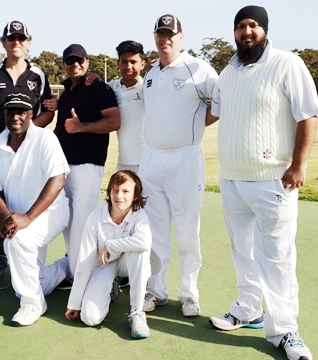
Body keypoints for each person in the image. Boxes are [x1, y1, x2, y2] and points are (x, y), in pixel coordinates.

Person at [207, 6, 318, 360]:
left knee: (278, 258)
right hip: (232, 180)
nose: (246, 31)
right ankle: (249, 308)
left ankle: (285, 331)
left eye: (253, 25)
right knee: (243, 251)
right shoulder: (228, 71)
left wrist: (299, 165)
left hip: (274, 180)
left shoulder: (288, 64)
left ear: (264, 30)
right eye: (240, 26)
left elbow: (308, 116)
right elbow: (215, 112)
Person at [0, 20, 55, 299]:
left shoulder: (38, 74)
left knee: (26, 210)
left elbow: (48, 111)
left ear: (28, 42)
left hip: (28, 154)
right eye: (11, 38)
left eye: (21, 38)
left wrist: (27, 135)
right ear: (3, 43)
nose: (16, 42)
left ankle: (25, 273)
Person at [139, 14, 218, 317]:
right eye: (160, 33)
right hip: (152, 158)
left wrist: (197, 123)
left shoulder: (198, 68)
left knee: (187, 231)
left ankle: (189, 294)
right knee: (155, 230)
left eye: (170, 33)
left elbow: (219, 103)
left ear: (181, 37)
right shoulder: (151, 73)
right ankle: (156, 290)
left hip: (185, 158)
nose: (164, 38)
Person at [0, 92, 70, 326]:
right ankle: (66, 266)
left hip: (51, 214)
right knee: (30, 281)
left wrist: (27, 218)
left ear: (31, 114)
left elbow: (58, 180)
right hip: (19, 217)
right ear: (4, 114)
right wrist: (10, 218)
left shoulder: (45, 138)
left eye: (22, 111)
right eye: (11, 111)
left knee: (16, 240)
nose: (16, 117)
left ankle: (33, 304)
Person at [55, 44, 120, 287]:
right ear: (64, 64)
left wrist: (80, 127)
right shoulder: (66, 93)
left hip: (87, 166)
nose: (75, 65)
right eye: (70, 61)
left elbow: (115, 121)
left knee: (81, 225)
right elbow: (61, 129)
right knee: (67, 224)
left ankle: (91, 277)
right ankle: (75, 272)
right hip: (64, 168)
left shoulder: (99, 88)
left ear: (87, 61)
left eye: (79, 60)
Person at [65, 171, 152, 339]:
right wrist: (74, 303)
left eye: (126, 191)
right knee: (89, 317)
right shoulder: (95, 217)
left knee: (140, 252)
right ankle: (111, 288)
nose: (119, 196)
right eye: (115, 190)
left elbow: (144, 242)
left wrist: (111, 245)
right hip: (103, 265)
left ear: (135, 196)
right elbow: (85, 260)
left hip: (128, 263)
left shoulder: (139, 215)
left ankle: (137, 312)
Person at [108, 41, 146, 173]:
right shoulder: (110, 88)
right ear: (118, 63)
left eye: (133, 62)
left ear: (142, 64)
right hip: (123, 163)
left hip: (149, 162)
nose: (128, 66)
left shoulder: (149, 87)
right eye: (124, 62)